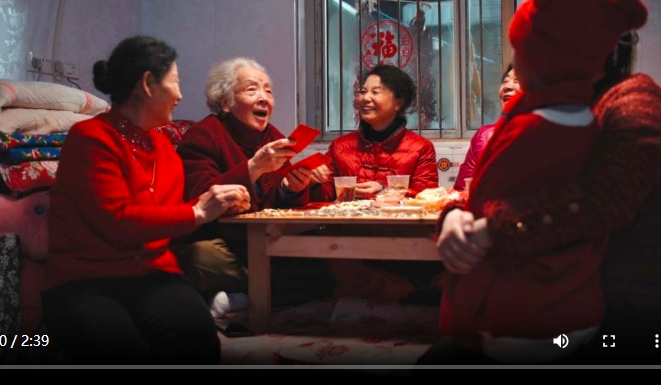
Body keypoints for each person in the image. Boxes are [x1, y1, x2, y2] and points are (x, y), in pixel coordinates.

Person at [417, 0, 649, 365]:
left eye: (519, 55)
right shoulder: (529, 121)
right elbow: (484, 194)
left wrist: (488, 230)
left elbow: (594, 204)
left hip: (535, 312)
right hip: (513, 302)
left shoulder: (594, 122)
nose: (510, 75)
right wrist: (455, 216)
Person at [42, 36, 251, 364]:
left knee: (198, 339)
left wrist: (218, 203)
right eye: (176, 83)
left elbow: (173, 217)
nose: (181, 95)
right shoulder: (90, 138)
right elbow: (117, 221)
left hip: (153, 275)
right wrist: (197, 212)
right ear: (148, 84)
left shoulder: (165, 148)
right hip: (85, 279)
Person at [177, 57, 331, 314]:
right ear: (225, 102)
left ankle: (244, 297)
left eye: (268, 91)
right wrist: (253, 168)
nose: (264, 98)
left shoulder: (272, 136)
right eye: (252, 90)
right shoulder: (203, 135)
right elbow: (199, 198)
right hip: (225, 242)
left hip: (266, 241)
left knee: (322, 253)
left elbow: (278, 200)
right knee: (201, 257)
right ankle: (272, 293)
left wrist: (290, 187)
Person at [309, 64, 440, 302]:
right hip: (348, 238)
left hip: (402, 240)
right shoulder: (340, 146)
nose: (365, 98)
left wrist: (385, 190)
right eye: (363, 91)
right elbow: (325, 193)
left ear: (399, 102)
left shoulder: (421, 148)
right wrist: (311, 182)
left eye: (375, 92)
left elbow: (427, 198)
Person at [453, 64, 520, 191]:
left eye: (517, 81)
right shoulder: (484, 136)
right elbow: (462, 189)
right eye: (505, 81)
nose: (507, 86)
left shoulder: (549, 135)